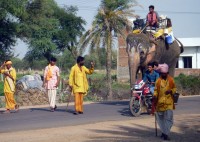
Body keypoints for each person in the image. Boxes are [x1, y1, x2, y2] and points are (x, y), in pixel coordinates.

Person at [153, 63, 176, 140]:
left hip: (169, 103)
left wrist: (171, 91)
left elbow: (175, 89)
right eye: (162, 74)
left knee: (169, 120)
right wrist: (155, 95)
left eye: (164, 74)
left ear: (167, 73)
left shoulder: (171, 80)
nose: (163, 75)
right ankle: (164, 132)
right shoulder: (158, 81)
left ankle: (166, 133)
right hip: (160, 103)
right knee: (160, 119)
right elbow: (156, 90)